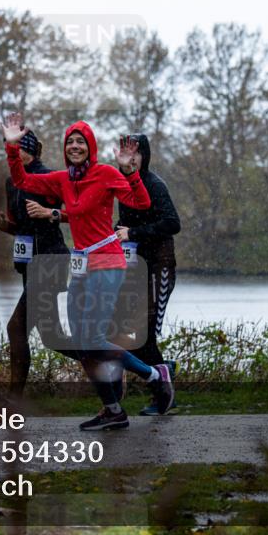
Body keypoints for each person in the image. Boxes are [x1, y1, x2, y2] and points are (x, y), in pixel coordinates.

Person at [0, 112, 174, 431]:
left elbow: (141, 202)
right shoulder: (63, 180)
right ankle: (113, 410)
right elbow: (23, 180)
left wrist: (129, 172)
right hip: (80, 264)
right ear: (64, 149)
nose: (75, 146)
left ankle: (153, 375)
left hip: (107, 262)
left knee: (92, 338)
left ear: (90, 147)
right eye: (70, 142)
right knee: (82, 345)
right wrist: (12, 148)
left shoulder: (106, 174)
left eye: (81, 142)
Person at [0, 130, 75, 400]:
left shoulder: (49, 177)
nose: (12, 154)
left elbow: (76, 213)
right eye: (9, 149)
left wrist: (51, 214)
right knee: (54, 338)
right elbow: (22, 228)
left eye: (17, 149)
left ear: (31, 151)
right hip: (29, 264)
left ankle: (13, 405)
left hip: (51, 262)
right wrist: (4, 225)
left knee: (15, 328)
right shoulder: (11, 182)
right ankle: (110, 361)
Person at [113, 134, 181, 415]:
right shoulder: (122, 186)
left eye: (136, 153)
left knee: (145, 334)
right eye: (126, 153)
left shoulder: (154, 184)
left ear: (145, 156)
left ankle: (163, 395)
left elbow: (172, 223)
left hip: (158, 266)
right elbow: (128, 225)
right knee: (120, 330)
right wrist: (119, 230)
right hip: (134, 267)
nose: (131, 158)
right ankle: (164, 372)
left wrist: (134, 233)